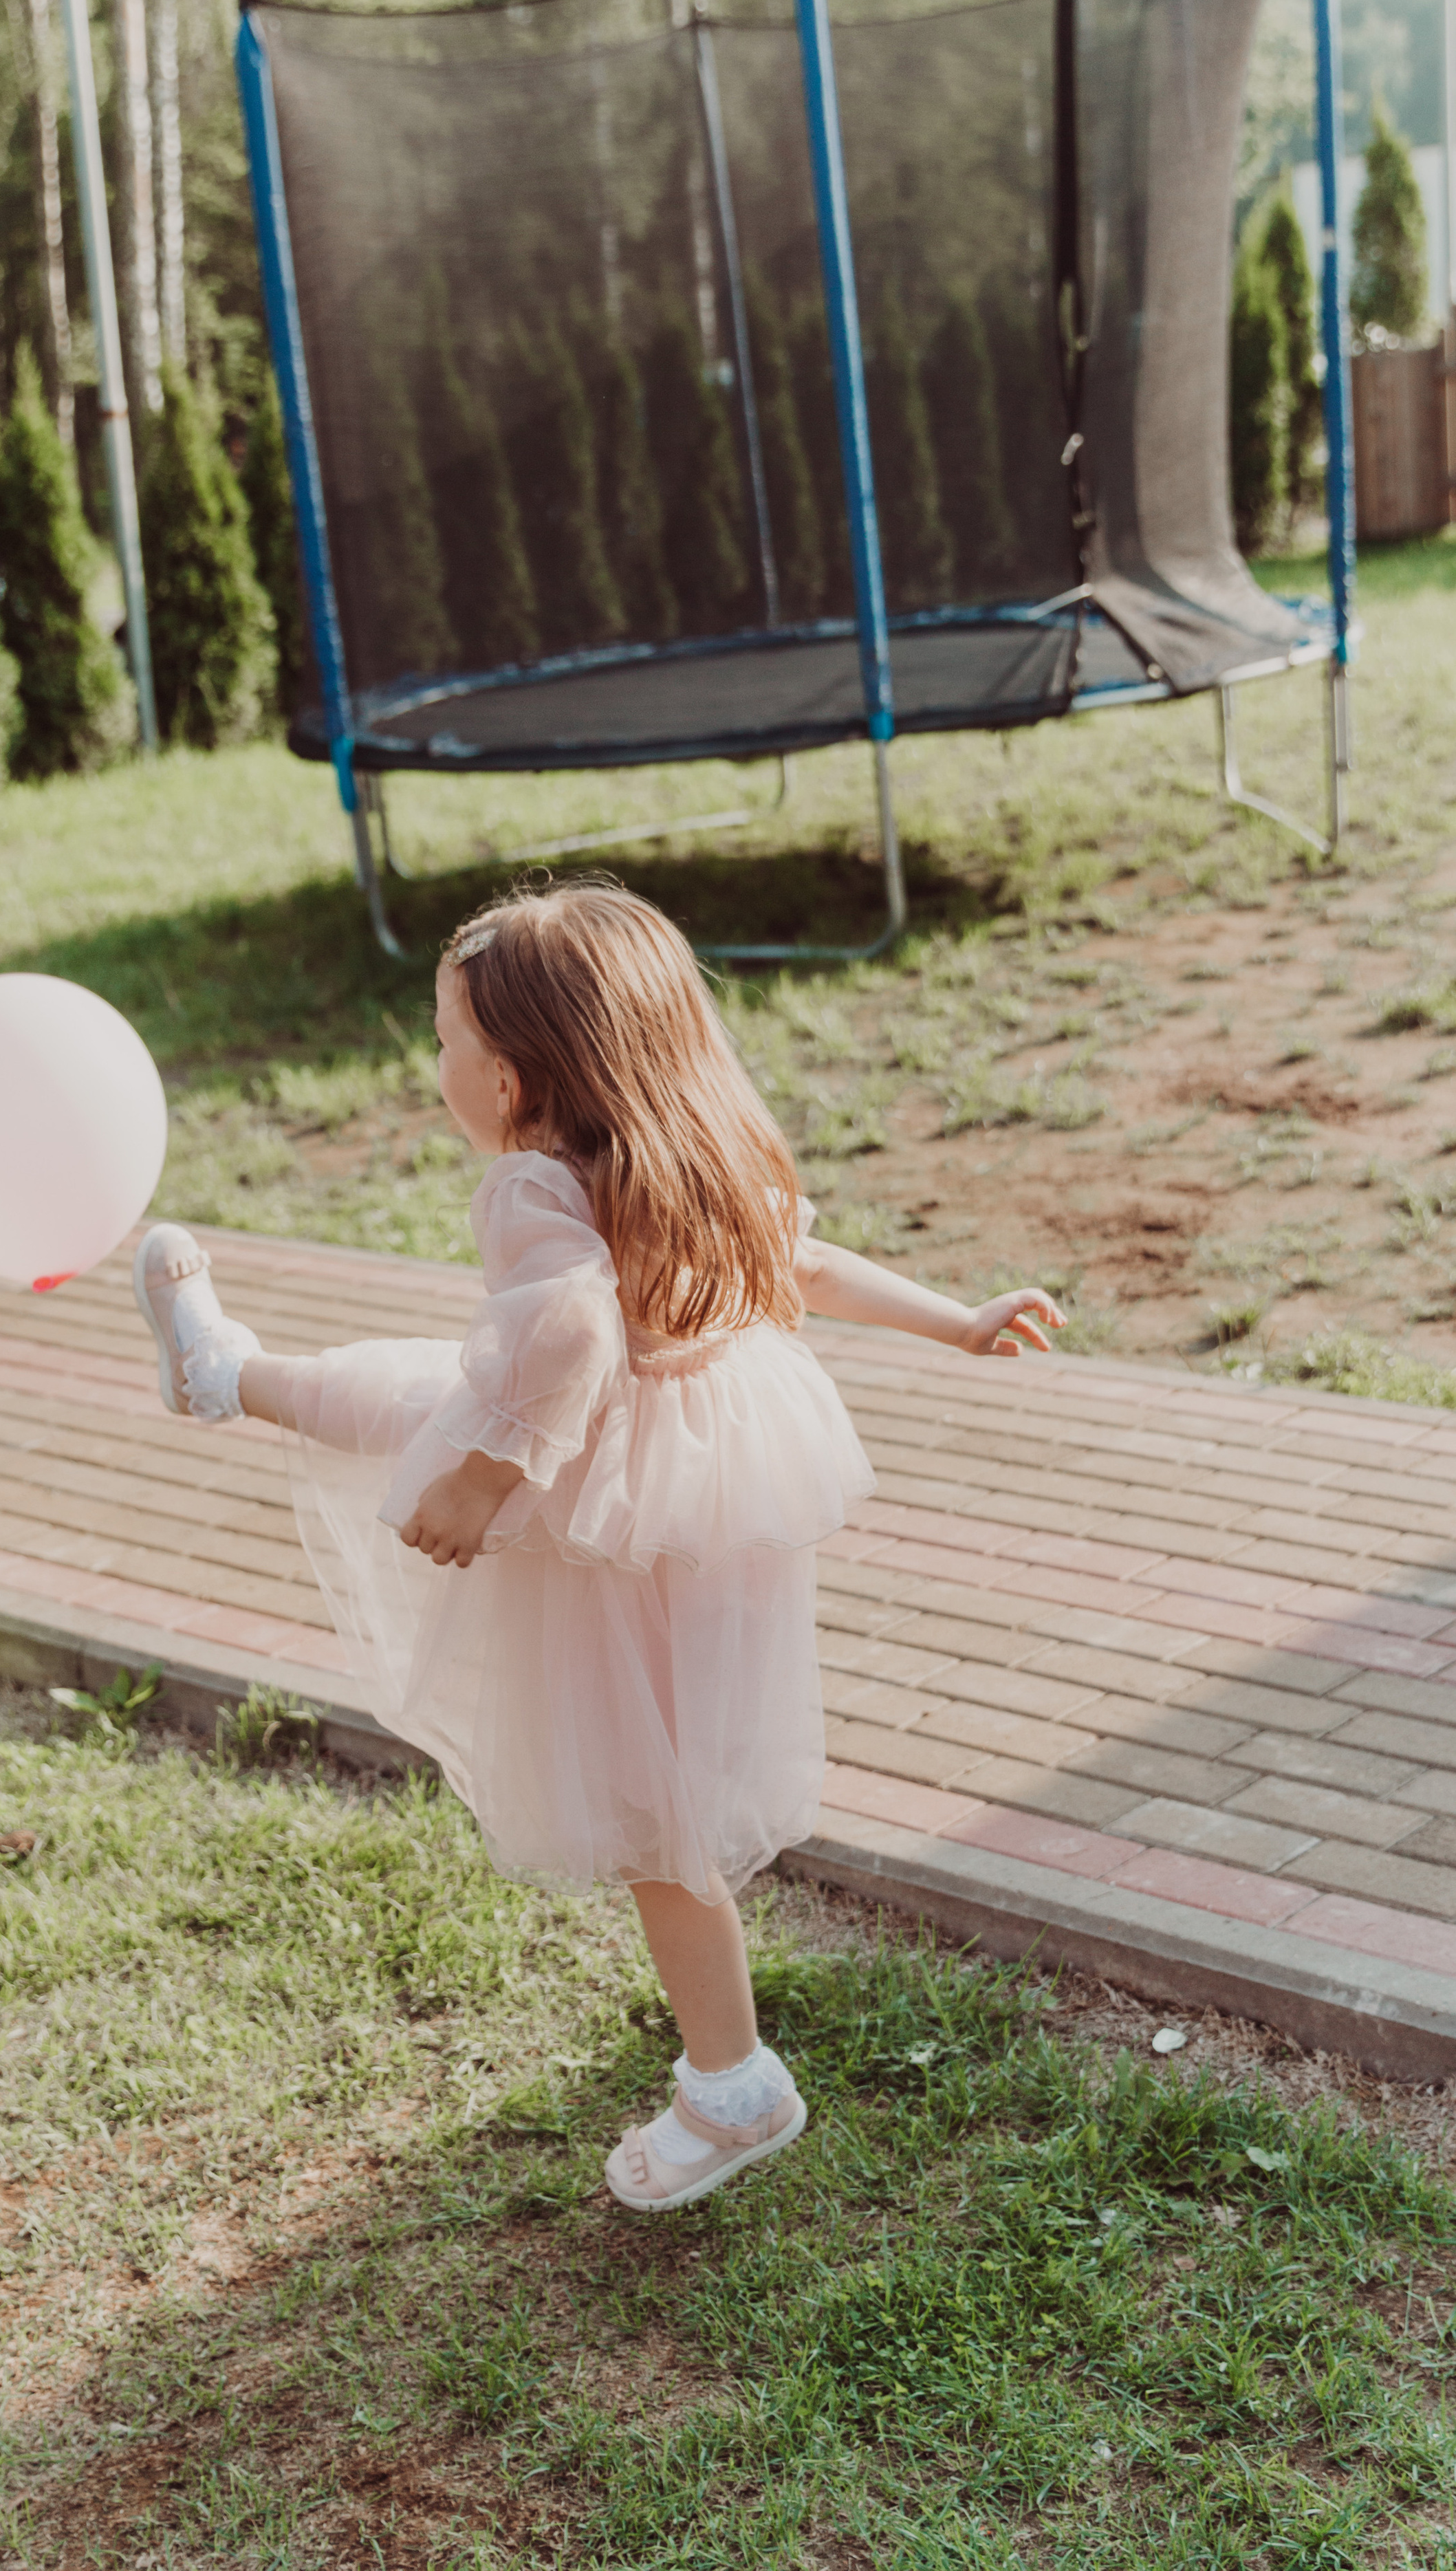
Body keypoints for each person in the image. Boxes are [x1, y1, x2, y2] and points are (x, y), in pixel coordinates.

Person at [133, 883, 1062, 2210]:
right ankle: (226, 1372)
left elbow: (566, 1331)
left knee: (650, 1808)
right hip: (705, 1489)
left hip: (599, 1470)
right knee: (415, 1402)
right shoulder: (698, 1142)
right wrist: (955, 1321)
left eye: (444, 1043)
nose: (436, 1067)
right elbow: (803, 1266)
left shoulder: (528, 1184)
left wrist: (490, 1478)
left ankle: (734, 2089)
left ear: (508, 1081)